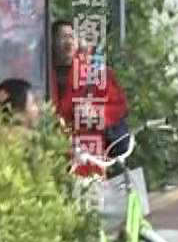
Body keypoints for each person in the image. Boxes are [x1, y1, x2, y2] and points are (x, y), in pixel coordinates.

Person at [50, 17, 130, 167]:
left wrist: (95, 115)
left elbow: (117, 111)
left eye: (72, 37)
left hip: (87, 161)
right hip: (50, 155)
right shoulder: (40, 73)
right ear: (51, 42)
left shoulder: (94, 75)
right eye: (63, 37)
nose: (69, 42)